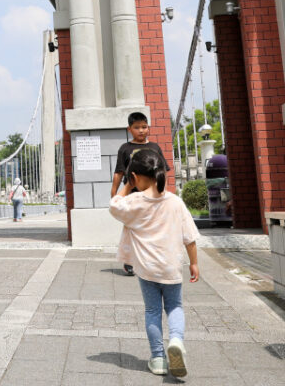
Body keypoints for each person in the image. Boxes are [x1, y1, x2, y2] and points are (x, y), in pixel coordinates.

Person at [109, 148, 199, 378]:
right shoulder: (175, 203)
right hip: (171, 267)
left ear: (135, 177)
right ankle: (176, 341)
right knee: (175, 307)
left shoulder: (135, 202)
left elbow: (114, 205)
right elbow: (189, 237)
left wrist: (128, 185)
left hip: (146, 269)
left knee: (152, 311)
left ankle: (158, 358)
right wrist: (194, 263)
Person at [112, 111, 169, 275]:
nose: (141, 130)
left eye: (144, 127)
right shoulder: (125, 148)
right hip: (132, 196)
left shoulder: (154, 148)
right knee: (131, 228)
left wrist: (164, 191)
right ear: (129, 129)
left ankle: (153, 259)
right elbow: (119, 172)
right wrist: (114, 192)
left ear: (148, 127)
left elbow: (163, 171)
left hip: (152, 196)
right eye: (137, 127)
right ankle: (130, 260)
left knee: (153, 227)